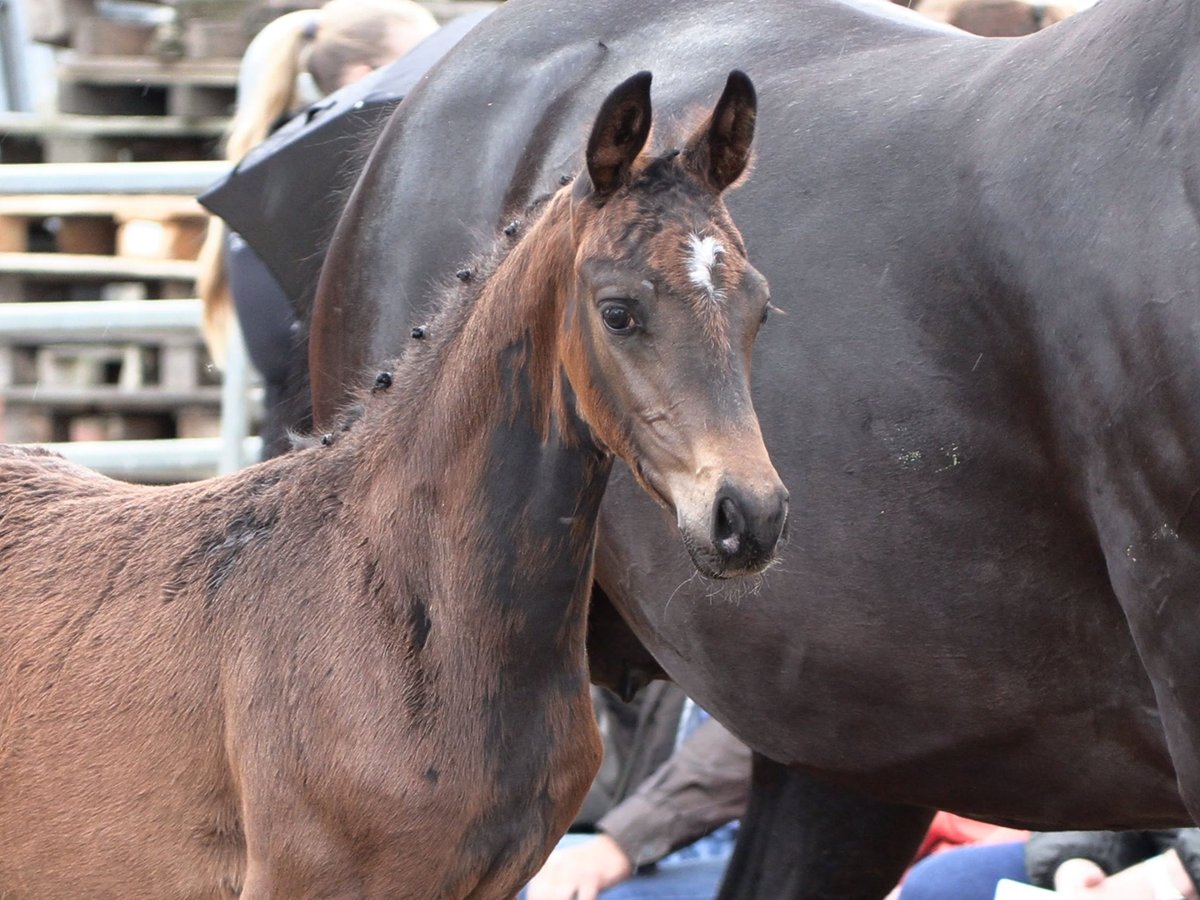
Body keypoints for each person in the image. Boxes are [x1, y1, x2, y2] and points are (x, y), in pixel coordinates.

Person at [197, 0, 438, 454]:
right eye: (420, 64)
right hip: (320, 464)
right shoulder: (308, 179)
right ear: (363, 76)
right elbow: (280, 351)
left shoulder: (290, 163)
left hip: (321, 454)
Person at [524, 684, 751, 900]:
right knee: (507, 874)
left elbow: (743, 747)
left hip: (755, 853)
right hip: (660, 837)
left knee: (591, 895)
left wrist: (622, 843)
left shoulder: (770, 661)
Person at [893, 828, 1200, 899]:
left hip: (1183, 872)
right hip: (1149, 839)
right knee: (940, 887)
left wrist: (1170, 877)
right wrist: (1075, 859)